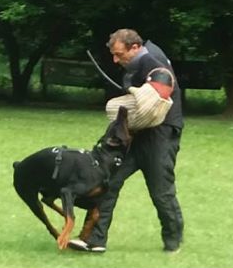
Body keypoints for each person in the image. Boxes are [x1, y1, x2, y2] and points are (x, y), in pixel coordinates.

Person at [71, 28, 184, 254]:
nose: (115, 60)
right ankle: (94, 239)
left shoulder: (153, 61)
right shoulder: (137, 62)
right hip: (133, 133)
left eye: (119, 54)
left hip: (160, 135)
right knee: (107, 183)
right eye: (113, 55)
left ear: (135, 47)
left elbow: (161, 93)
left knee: (160, 192)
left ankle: (173, 242)